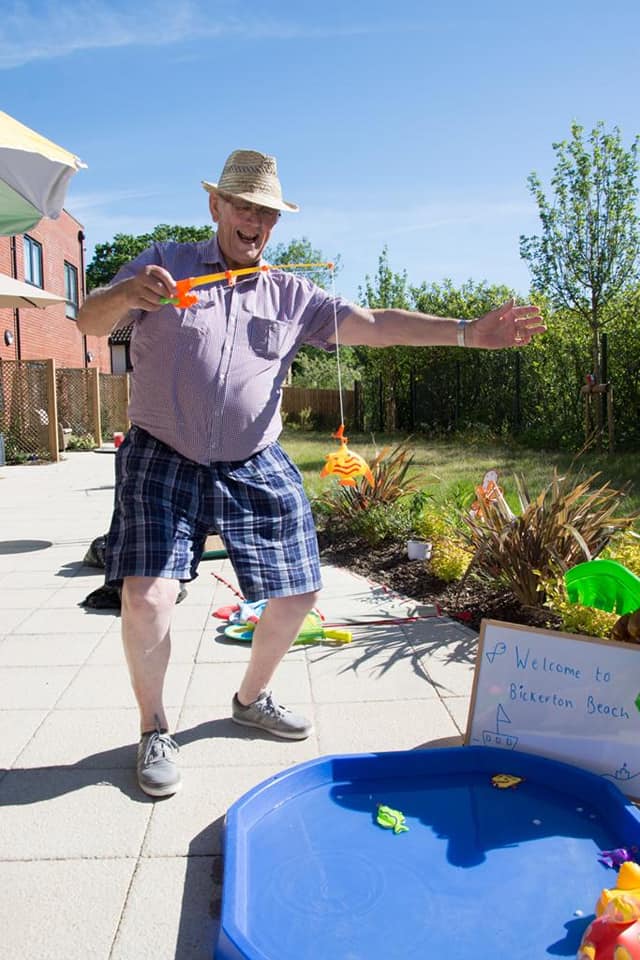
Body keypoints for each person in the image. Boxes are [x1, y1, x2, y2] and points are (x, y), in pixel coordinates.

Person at [77, 149, 546, 799]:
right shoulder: (166, 262)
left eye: (267, 213)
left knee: (298, 592)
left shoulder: (290, 293)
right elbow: (88, 319)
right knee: (147, 595)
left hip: (253, 456)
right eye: (244, 207)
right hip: (163, 449)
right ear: (216, 206)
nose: (255, 222)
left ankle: (251, 698)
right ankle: (154, 727)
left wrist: (469, 332)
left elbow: (375, 325)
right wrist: (127, 293)